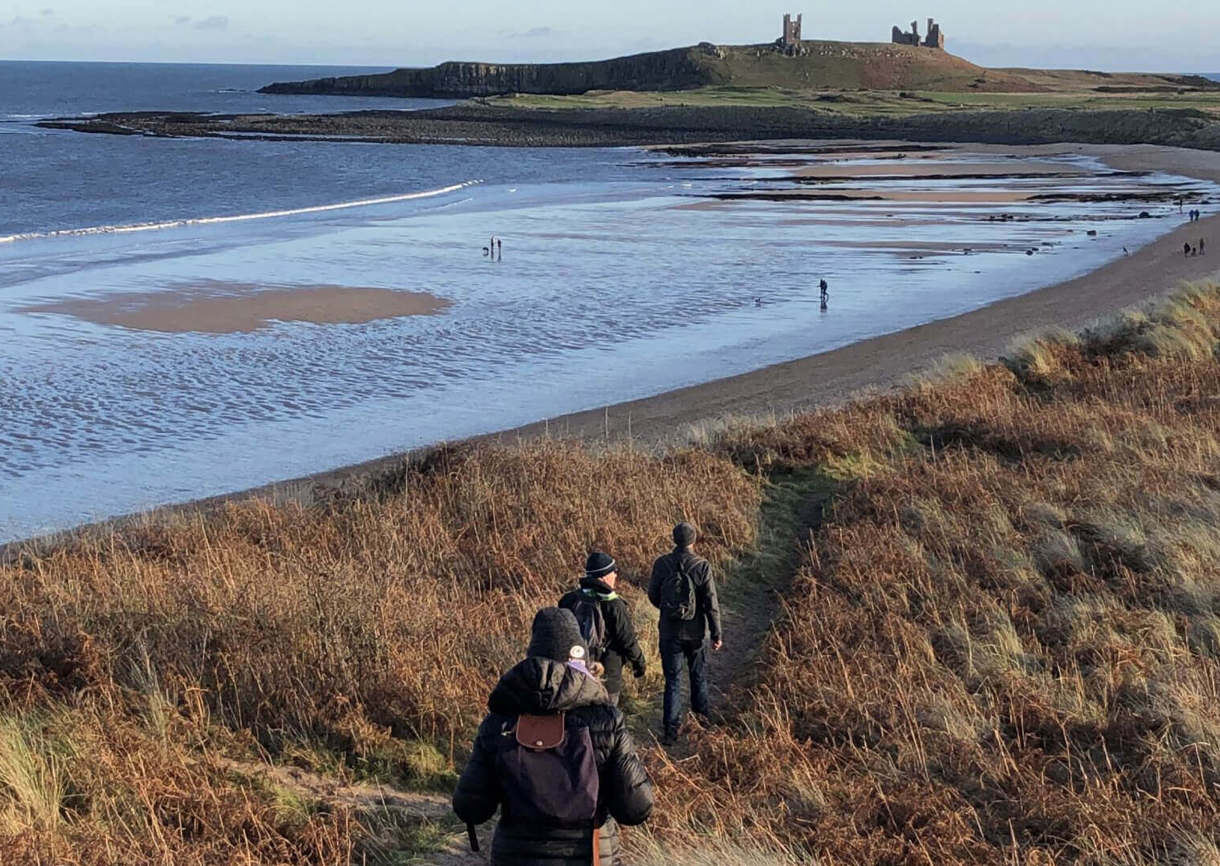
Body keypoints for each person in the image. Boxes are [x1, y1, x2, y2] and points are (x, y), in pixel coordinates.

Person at [453, 608, 654, 865]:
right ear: (580, 662)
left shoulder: (499, 722)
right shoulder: (607, 721)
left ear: (532, 658)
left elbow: (470, 807)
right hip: (587, 856)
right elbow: (635, 808)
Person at [648, 522, 722, 745]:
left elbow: (653, 595)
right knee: (697, 676)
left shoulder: (662, 564)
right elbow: (711, 602)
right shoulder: (702, 566)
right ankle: (702, 724)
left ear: (674, 539)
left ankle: (671, 731)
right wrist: (716, 632)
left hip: (669, 632)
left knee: (672, 680)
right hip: (696, 632)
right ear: (694, 540)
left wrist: (668, 611)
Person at [560, 551, 647, 705]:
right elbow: (627, 639)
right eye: (614, 572)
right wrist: (639, 664)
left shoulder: (569, 600)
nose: (616, 575)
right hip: (608, 674)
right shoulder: (614, 604)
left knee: (580, 717)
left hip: (577, 670)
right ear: (604, 576)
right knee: (607, 717)